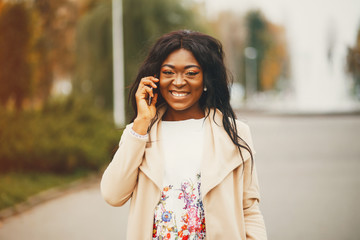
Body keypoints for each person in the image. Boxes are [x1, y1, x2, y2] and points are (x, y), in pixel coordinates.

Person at [100, 30, 267, 239]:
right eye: (168, 72)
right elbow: (112, 194)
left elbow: (249, 209)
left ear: (206, 78)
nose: (178, 82)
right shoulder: (139, 133)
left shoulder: (235, 133)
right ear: (155, 78)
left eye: (191, 73)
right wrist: (141, 122)